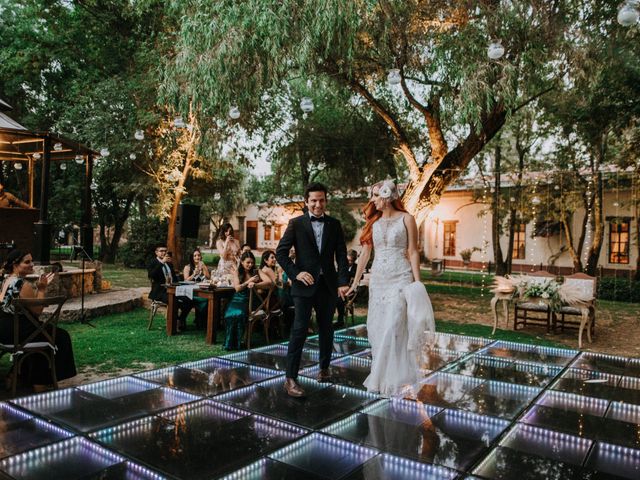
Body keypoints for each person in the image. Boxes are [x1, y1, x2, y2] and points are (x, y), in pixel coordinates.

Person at [347, 179, 435, 396]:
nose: (373, 200)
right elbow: (365, 255)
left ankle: (389, 379)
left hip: (400, 278)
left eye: (376, 195)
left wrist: (417, 282)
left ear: (387, 197)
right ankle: (383, 375)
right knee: (378, 327)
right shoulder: (373, 224)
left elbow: (413, 251)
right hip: (379, 280)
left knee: (394, 326)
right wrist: (355, 283)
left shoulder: (407, 219)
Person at [275, 182, 349, 397]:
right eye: (314, 200)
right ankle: (290, 379)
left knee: (327, 329)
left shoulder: (335, 224)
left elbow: (342, 255)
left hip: (328, 286)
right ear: (306, 201)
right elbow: (281, 253)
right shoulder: (295, 224)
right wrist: (295, 273)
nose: (318, 204)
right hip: (303, 287)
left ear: (326, 201)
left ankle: (324, 369)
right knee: (299, 330)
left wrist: (342, 281)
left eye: (322, 200)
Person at [0, 250, 76, 391]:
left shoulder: (6, 280)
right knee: (59, 337)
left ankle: (17, 375)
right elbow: (37, 312)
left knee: (44, 336)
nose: (31, 265)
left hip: (4, 330)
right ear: (15, 265)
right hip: (19, 332)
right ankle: (40, 382)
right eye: (27, 262)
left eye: (31, 261)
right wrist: (42, 288)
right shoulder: (22, 284)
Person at [222, 251, 270, 350]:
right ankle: (230, 342)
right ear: (242, 262)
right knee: (229, 313)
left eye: (252, 262)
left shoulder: (257, 271)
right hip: (237, 298)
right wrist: (249, 281)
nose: (250, 265)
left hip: (251, 300)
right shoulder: (237, 272)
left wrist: (255, 285)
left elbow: (270, 282)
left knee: (239, 313)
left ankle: (239, 342)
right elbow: (237, 288)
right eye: (248, 262)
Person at [147, 244, 192, 331]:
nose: (164, 253)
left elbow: (175, 279)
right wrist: (162, 262)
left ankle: (180, 319)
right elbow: (151, 275)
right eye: (161, 251)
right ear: (156, 252)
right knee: (173, 300)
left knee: (189, 299)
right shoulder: (153, 262)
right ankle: (173, 325)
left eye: (165, 251)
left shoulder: (169, 264)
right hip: (160, 292)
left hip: (173, 290)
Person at [183, 249, 210, 328]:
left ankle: (200, 320)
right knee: (205, 300)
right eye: (195, 256)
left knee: (208, 299)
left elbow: (208, 278)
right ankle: (200, 321)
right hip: (191, 292)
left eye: (198, 255)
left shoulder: (203, 266)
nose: (197, 257)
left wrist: (204, 268)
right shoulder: (187, 267)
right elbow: (185, 280)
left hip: (201, 290)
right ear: (192, 257)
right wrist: (194, 274)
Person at [335, 250, 359, 328]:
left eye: (350, 260)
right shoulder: (342, 266)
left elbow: (360, 276)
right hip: (340, 289)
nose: (348, 262)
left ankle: (340, 320)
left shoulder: (356, 267)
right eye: (347, 260)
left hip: (350, 291)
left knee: (339, 298)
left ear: (354, 260)